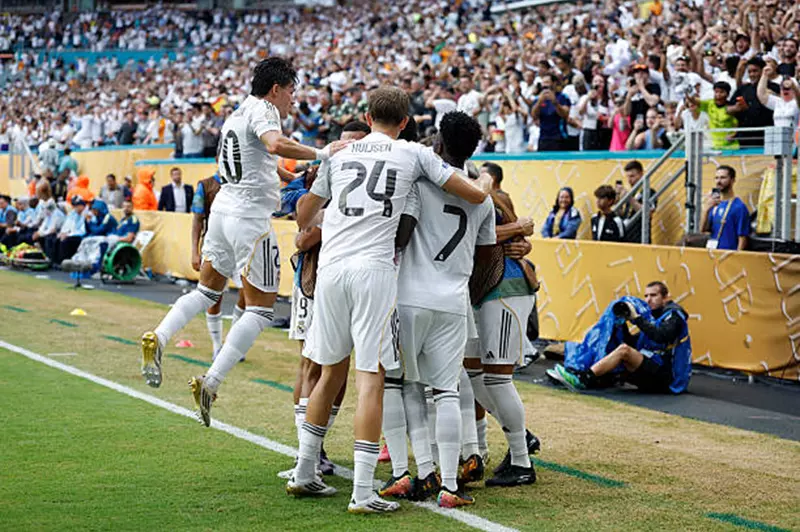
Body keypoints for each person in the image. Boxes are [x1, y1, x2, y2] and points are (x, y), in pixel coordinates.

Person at [290, 86, 490, 512]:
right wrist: (486, 180)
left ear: (366, 118)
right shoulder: (413, 153)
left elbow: (304, 215)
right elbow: (473, 194)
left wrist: (332, 193)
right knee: (373, 377)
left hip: (332, 268)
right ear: (404, 122)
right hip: (375, 271)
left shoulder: (339, 153)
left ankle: (304, 471)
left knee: (329, 373)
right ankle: (363, 491)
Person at [140, 58, 349, 428]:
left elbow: (263, 162)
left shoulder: (237, 114)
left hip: (223, 210)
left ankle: (159, 335)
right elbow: (275, 144)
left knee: (207, 291)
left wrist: (298, 172)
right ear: (275, 89)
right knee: (261, 310)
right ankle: (211, 381)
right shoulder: (265, 111)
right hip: (249, 219)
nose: (292, 100)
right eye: (291, 92)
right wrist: (322, 152)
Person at [379, 111, 492, 508]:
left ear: (438, 144)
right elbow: (485, 257)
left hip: (410, 296)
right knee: (446, 391)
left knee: (399, 384)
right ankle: (449, 486)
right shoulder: (483, 198)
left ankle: (412, 472)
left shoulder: (420, 183)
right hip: (453, 300)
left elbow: (401, 236)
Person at [280, 121, 371, 481]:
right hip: (311, 281)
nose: (349, 149)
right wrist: (326, 224)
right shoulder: (316, 174)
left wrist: (324, 225)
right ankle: (309, 452)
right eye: (344, 143)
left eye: (357, 143)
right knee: (309, 364)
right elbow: (300, 233)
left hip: (346, 281)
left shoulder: (372, 177)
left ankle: (316, 447)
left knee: (339, 368)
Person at [464, 160, 538, 488]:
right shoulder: (477, 193)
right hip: (480, 290)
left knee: (496, 378)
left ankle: (521, 461)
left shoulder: (488, 195)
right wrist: (520, 229)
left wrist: (520, 230)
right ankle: (515, 437)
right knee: (472, 375)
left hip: (503, 289)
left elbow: (480, 234)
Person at [548, 281, 691, 394]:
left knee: (624, 351)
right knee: (611, 342)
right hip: (654, 370)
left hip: (668, 378)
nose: (648, 300)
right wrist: (620, 325)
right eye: (646, 296)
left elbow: (661, 336)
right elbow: (634, 342)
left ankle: (583, 379)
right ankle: (583, 374)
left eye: (653, 295)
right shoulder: (655, 318)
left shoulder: (675, 315)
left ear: (666, 297)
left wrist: (637, 319)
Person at [189, 162, 246, 362]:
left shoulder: (243, 181)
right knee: (213, 296)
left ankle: (232, 343)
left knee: (247, 294)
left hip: (241, 247)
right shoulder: (205, 185)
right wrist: (194, 252)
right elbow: (197, 220)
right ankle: (216, 346)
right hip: (215, 247)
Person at [701, 165, 750, 251]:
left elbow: (742, 238)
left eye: (723, 178)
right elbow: (703, 229)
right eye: (716, 178)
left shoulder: (739, 207)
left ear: (732, 180)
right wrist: (706, 210)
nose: (719, 181)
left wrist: (737, 256)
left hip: (728, 254)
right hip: (712, 252)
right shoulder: (714, 203)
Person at [757, 66, 800, 147]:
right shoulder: (777, 102)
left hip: (794, 144)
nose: (785, 90)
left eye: (788, 88)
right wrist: (764, 75)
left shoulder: (796, 103)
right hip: (778, 143)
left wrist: (793, 86)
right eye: (783, 88)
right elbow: (761, 95)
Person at [617, 160, 657, 243]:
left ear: (641, 174)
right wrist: (618, 202)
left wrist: (629, 198)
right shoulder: (631, 193)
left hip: (640, 238)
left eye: (632, 176)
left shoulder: (649, 191)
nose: (629, 180)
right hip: (626, 237)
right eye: (627, 177)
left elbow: (648, 213)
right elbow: (625, 214)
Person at [532, 73, 571, 151]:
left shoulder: (562, 97)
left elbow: (565, 115)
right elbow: (534, 116)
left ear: (554, 83)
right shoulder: (538, 99)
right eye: (543, 83)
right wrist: (539, 102)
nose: (544, 85)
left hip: (559, 137)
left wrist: (555, 102)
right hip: (543, 137)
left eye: (547, 82)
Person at [697, 82, 739, 149]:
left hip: (731, 147)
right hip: (714, 146)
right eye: (716, 92)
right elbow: (694, 102)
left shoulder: (731, 107)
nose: (718, 95)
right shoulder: (709, 104)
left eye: (721, 92)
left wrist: (734, 135)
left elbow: (738, 124)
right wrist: (688, 94)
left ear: (728, 94)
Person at [52, 196, 87, 264]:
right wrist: (62, 233)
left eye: (77, 206)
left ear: (82, 206)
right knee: (55, 239)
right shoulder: (73, 213)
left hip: (80, 236)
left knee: (66, 241)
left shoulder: (86, 215)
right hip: (71, 234)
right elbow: (67, 225)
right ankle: (55, 261)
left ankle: (63, 262)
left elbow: (82, 231)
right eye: (74, 206)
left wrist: (68, 235)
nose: (75, 208)